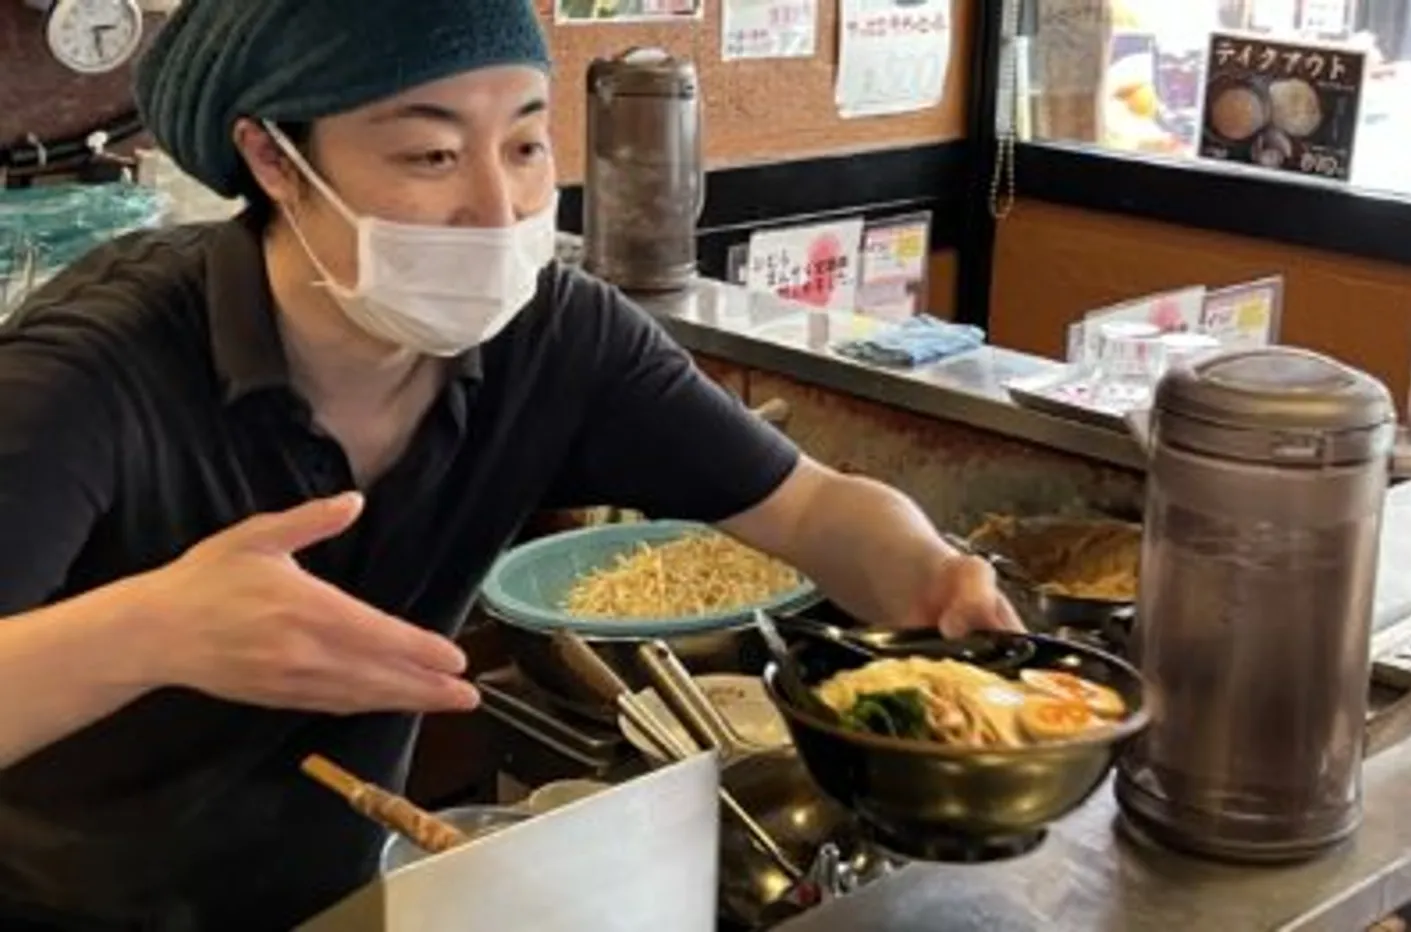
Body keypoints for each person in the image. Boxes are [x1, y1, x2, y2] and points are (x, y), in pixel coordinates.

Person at [0, 1, 1018, 929]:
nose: (497, 208)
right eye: (432, 156)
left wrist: (933, 576)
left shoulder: (556, 338)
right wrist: (152, 631)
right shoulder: (92, 369)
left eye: (526, 144)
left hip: (346, 897)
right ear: (272, 157)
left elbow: (808, 509)